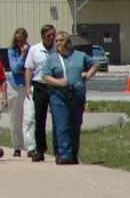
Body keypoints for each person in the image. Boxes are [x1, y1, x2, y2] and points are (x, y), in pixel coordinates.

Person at [42, 29, 98, 164]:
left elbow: (95, 65)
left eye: (60, 40)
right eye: (56, 41)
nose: (58, 43)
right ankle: (65, 154)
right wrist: (59, 82)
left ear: (68, 42)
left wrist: (86, 77)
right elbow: (45, 76)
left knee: (75, 125)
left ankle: (73, 154)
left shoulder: (80, 56)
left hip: (77, 96)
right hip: (59, 96)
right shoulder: (52, 59)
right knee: (62, 125)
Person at [23, 23, 57, 162]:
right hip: (39, 86)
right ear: (43, 36)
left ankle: (58, 150)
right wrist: (27, 87)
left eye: (53, 35)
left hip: (55, 86)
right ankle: (40, 149)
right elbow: (28, 69)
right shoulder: (35, 50)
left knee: (57, 118)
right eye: (49, 36)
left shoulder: (57, 49)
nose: (52, 38)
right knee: (39, 119)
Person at [6, 27, 30, 157]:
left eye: (22, 40)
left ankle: (30, 145)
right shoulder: (12, 51)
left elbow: (32, 69)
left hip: (27, 85)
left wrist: (25, 71)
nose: (20, 43)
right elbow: (15, 69)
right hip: (14, 85)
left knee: (28, 117)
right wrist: (22, 55)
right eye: (18, 41)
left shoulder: (31, 50)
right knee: (15, 118)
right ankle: (17, 146)